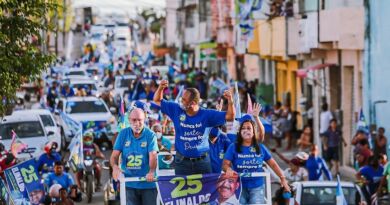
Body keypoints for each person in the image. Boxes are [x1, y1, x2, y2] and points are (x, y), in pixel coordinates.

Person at [153, 79, 235, 175]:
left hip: (202, 162)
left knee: (205, 190)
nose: (181, 101)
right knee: (181, 190)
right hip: (182, 162)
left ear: (192, 103)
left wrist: (230, 100)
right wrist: (161, 87)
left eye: (184, 100)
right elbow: (157, 100)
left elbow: (230, 116)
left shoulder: (206, 114)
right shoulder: (176, 109)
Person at [223, 115, 290, 204]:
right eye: (243, 128)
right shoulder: (233, 147)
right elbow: (225, 164)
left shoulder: (260, 147)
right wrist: (228, 169)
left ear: (254, 132)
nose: (246, 130)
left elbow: (273, 164)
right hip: (239, 186)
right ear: (239, 131)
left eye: (249, 128)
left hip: (257, 186)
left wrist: (283, 178)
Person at [110, 108, 158, 205]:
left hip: (148, 184)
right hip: (128, 184)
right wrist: (115, 167)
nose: (137, 123)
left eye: (140, 120)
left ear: (144, 120)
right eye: (134, 120)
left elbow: (153, 156)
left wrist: (151, 171)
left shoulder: (150, 135)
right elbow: (114, 156)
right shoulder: (123, 134)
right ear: (129, 120)